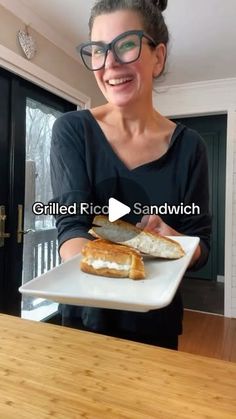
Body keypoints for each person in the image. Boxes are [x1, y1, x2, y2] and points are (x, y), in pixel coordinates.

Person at [50, 0, 211, 350]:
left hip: (157, 325)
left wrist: (174, 240)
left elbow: (201, 243)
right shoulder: (72, 131)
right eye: (98, 50)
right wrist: (116, 260)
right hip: (83, 322)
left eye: (126, 45)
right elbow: (72, 225)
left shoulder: (190, 147)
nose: (109, 63)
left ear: (158, 56)